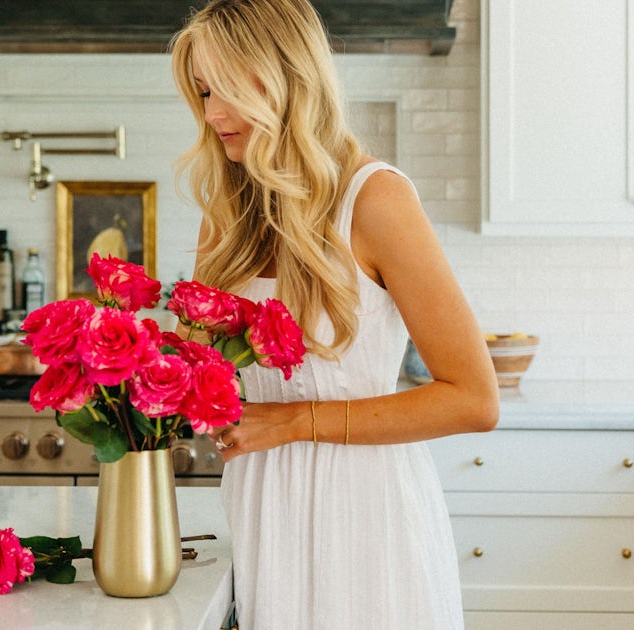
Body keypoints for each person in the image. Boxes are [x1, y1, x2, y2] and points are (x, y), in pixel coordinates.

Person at [168, 0, 500, 628]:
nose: (212, 114)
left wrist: (293, 421)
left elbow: (473, 399)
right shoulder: (228, 216)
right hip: (262, 512)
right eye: (204, 91)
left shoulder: (374, 198)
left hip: (365, 517)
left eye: (229, 89)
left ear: (289, 78)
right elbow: (202, 376)